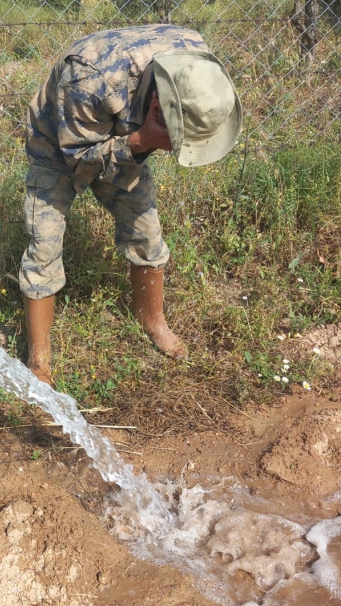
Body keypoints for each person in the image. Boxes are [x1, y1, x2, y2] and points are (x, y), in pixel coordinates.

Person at [20, 24, 242, 385]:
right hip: (59, 145)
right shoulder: (88, 78)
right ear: (158, 107)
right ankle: (39, 357)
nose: (174, 150)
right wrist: (141, 140)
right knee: (43, 244)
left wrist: (143, 139)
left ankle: (154, 322)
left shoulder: (196, 62)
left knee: (146, 229)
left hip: (128, 134)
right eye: (177, 140)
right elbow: (80, 159)